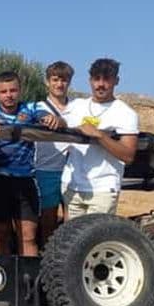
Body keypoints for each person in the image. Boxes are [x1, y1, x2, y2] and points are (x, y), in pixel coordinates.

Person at [0, 71, 63, 257]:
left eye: (13, 90)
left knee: (28, 236)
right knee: (0, 234)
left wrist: (53, 119)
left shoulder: (30, 108)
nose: (9, 95)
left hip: (25, 180)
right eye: (3, 91)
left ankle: (29, 276)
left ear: (20, 90)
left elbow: (47, 117)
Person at [61, 58, 139, 218]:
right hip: (72, 186)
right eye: (96, 79)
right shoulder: (75, 106)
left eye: (106, 79)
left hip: (103, 189)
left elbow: (128, 155)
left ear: (116, 81)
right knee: (71, 234)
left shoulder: (125, 113)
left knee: (97, 235)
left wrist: (100, 135)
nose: (101, 84)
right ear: (90, 80)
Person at [35, 61, 74, 244]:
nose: (59, 84)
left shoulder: (77, 108)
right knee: (47, 221)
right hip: (46, 170)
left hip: (73, 171)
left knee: (72, 221)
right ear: (47, 82)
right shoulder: (38, 107)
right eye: (55, 80)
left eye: (64, 80)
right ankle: (46, 256)